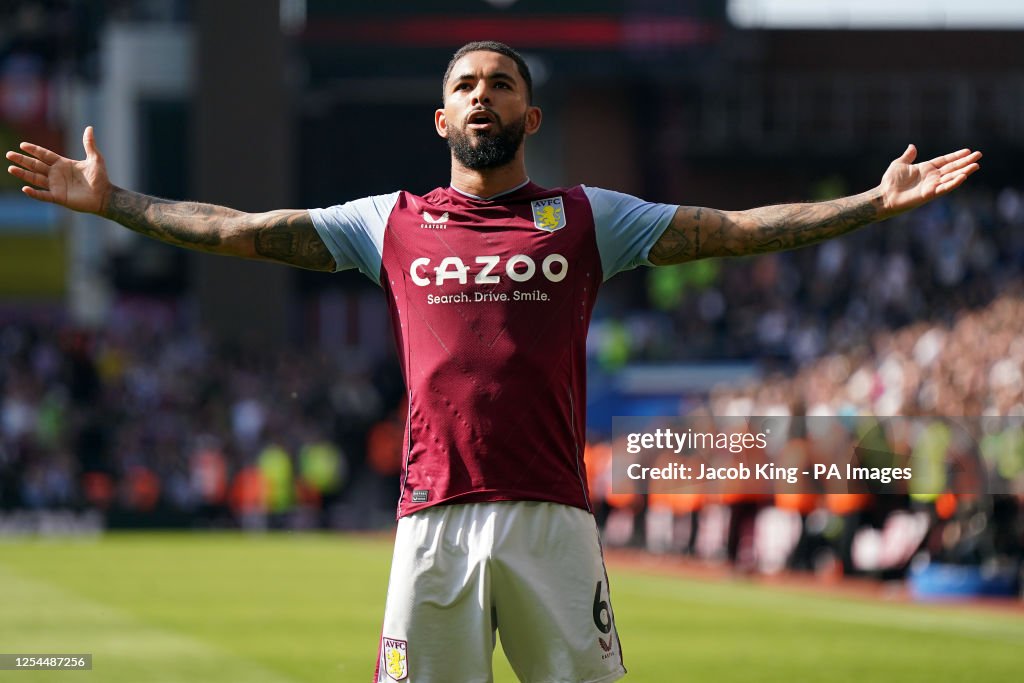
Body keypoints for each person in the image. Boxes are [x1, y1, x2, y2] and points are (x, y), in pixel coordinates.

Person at [6, 40, 981, 683]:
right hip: (433, 515)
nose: (482, 96)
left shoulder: (594, 216)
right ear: (441, 121)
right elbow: (239, 230)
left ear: (530, 116)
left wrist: (868, 203)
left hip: (554, 515)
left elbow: (736, 227)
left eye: (501, 84)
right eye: (465, 86)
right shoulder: (388, 222)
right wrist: (119, 202)